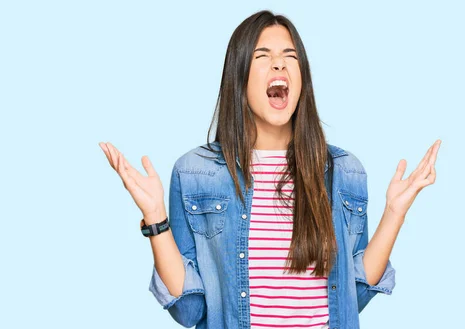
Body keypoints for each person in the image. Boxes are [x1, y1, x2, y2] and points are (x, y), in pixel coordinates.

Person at [99, 10, 441, 329]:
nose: (279, 65)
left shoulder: (345, 171)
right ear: (239, 77)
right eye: (263, 57)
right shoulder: (195, 173)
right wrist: (156, 218)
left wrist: (395, 213)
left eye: (290, 57)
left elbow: (355, 295)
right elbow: (189, 311)